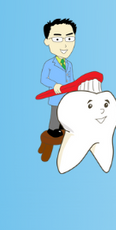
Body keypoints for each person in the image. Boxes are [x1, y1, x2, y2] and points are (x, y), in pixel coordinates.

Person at [38, 18, 79, 162]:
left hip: (68, 97)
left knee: (66, 115)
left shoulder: (69, 64)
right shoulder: (49, 64)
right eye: (57, 38)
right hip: (56, 97)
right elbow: (44, 79)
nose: (64, 44)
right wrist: (54, 85)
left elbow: (71, 80)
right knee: (55, 115)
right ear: (47, 41)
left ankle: (64, 127)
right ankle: (53, 130)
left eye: (69, 38)